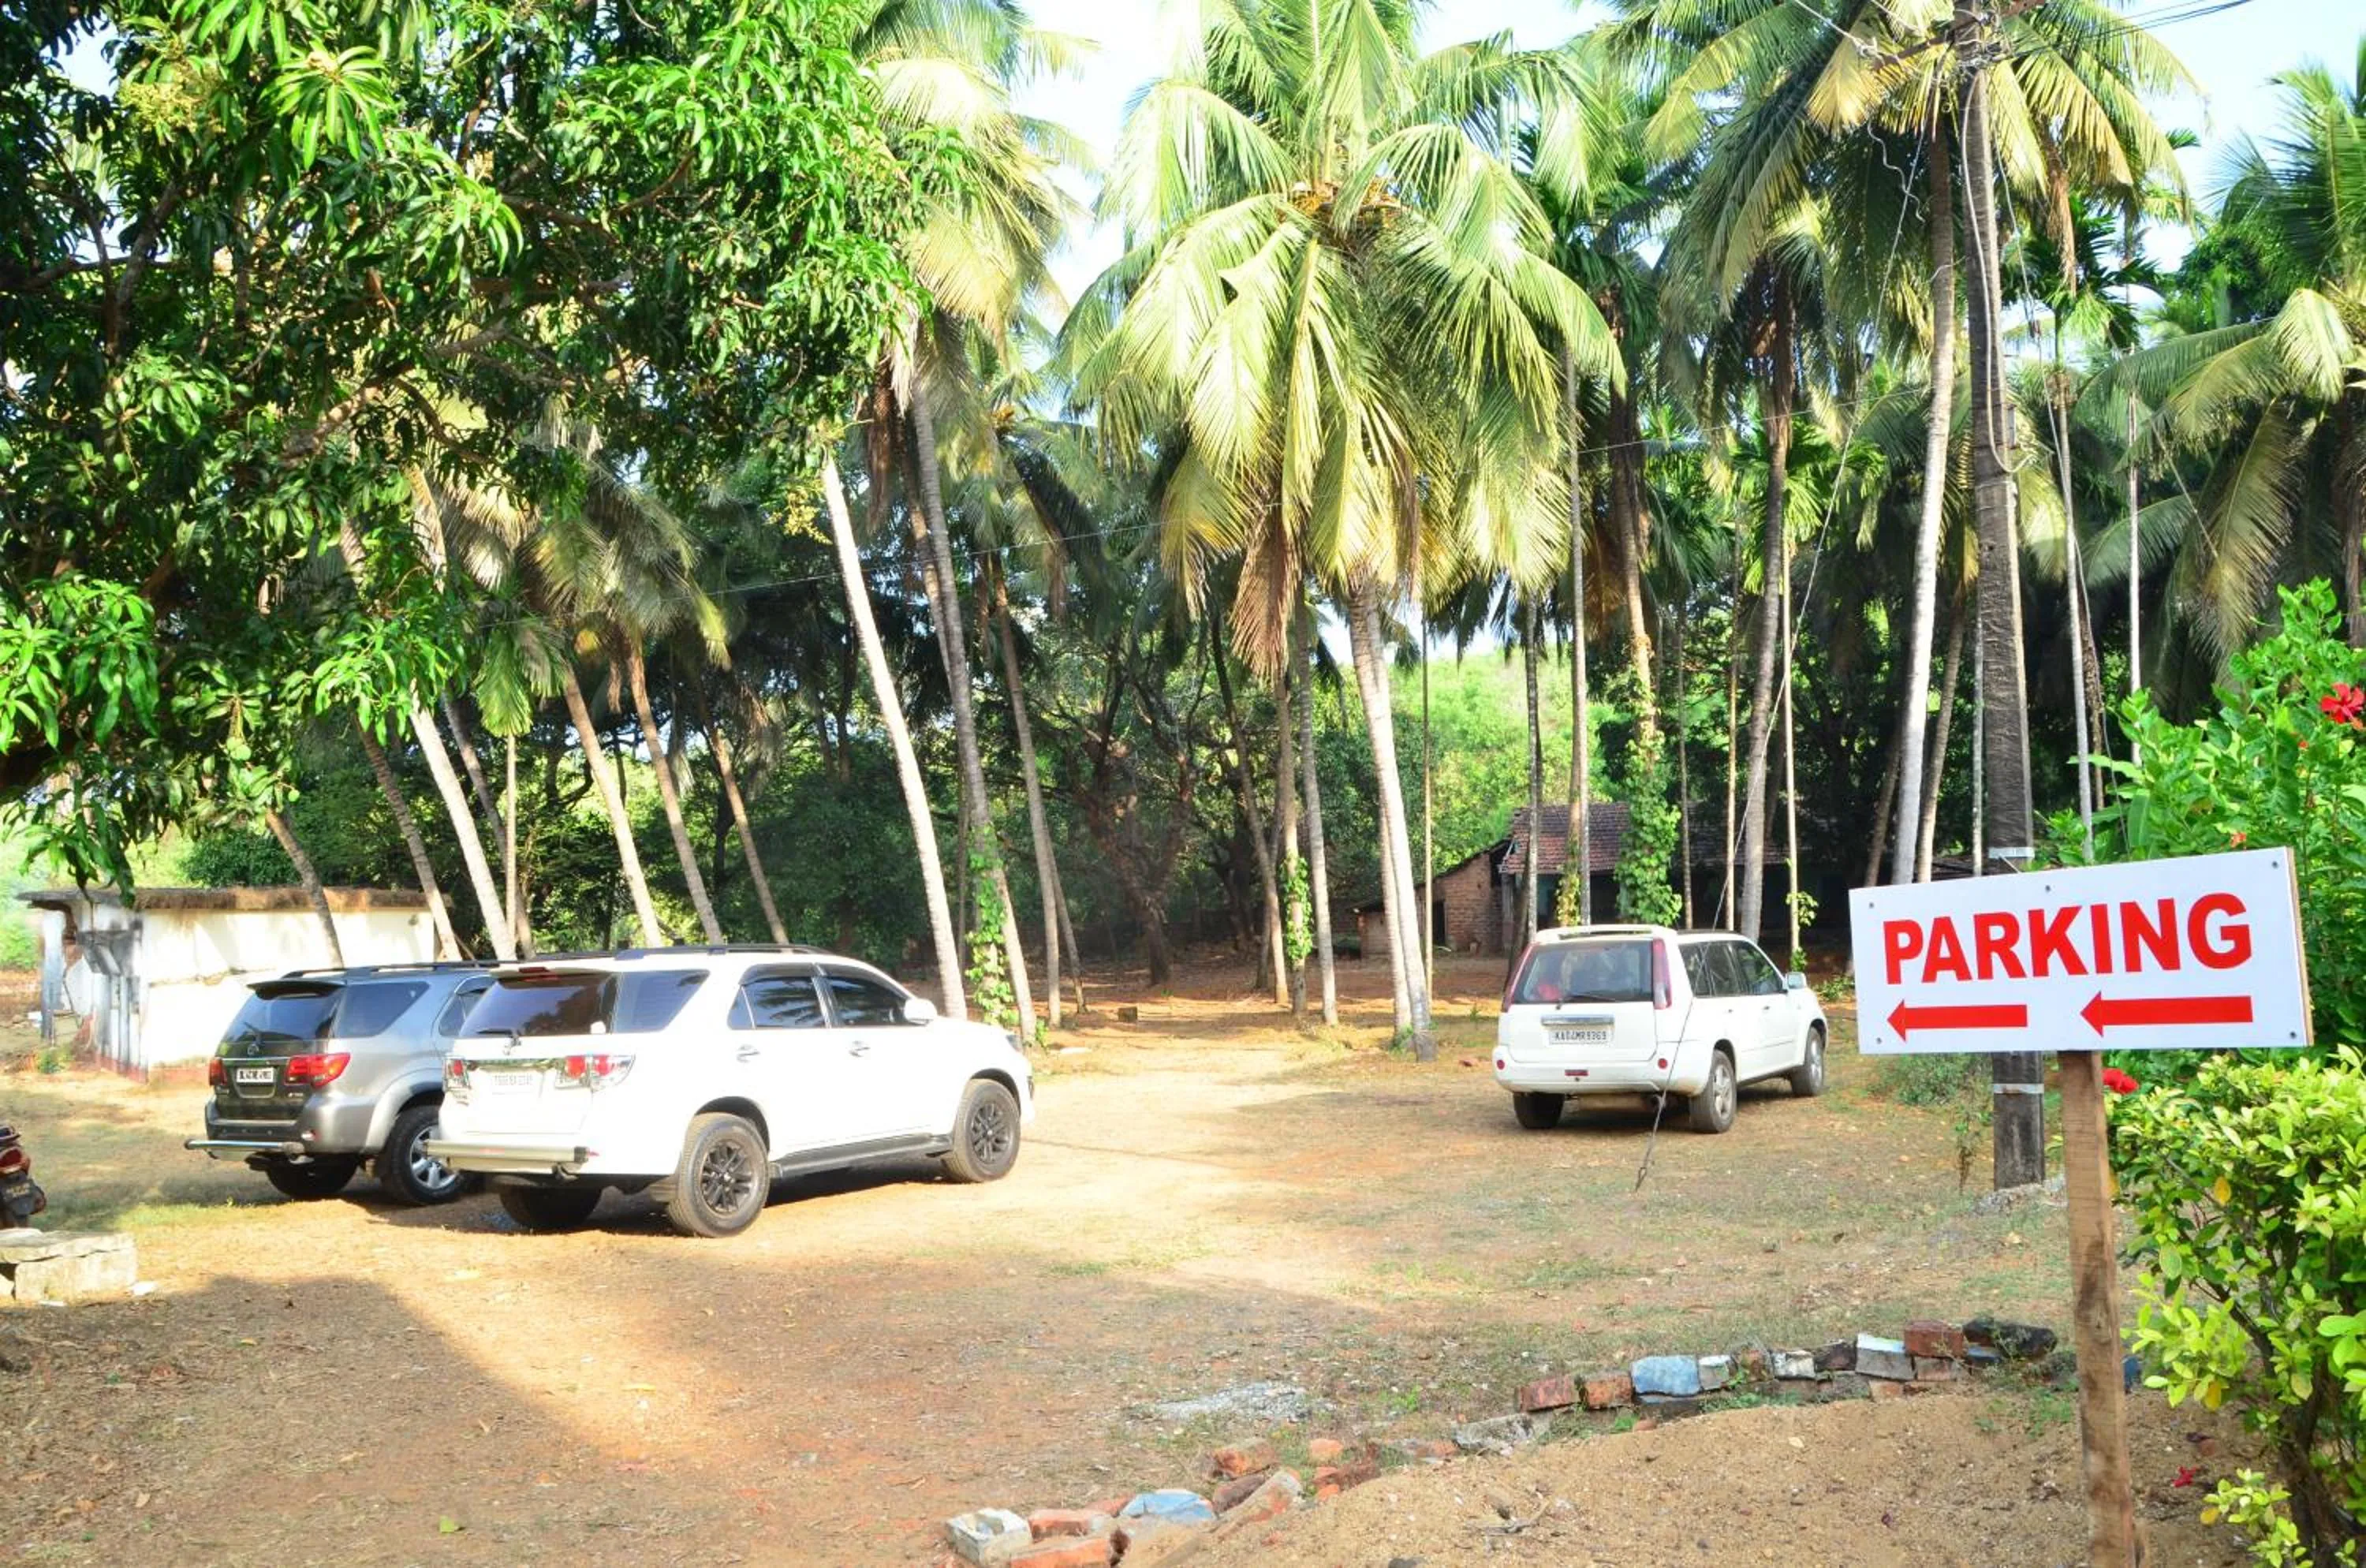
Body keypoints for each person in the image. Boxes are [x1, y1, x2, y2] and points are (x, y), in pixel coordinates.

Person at [58, 932, 95, 1051]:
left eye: (73, 944)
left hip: (87, 1015)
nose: (70, 949)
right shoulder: (63, 966)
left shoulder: (86, 968)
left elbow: (92, 996)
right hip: (74, 1014)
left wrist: (88, 1019)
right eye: (67, 944)